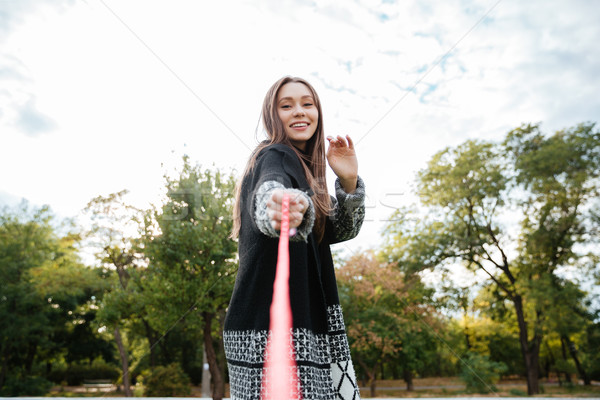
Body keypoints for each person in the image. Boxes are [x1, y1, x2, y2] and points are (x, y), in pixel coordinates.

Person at [224, 76, 365, 400]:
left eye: (307, 103)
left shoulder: (304, 170)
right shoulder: (274, 155)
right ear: (272, 115)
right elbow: (269, 192)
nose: (299, 111)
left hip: (301, 323)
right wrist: (279, 204)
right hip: (271, 329)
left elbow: (340, 230)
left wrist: (349, 180)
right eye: (286, 105)